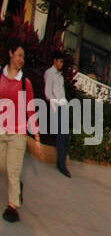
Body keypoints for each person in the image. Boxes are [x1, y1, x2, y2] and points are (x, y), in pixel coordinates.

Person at [1, 38, 37, 222]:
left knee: (13, 170)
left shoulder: (25, 83)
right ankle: (18, 187)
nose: (21, 59)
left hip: (18, 132)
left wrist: (36, 134)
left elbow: (30, 107)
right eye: (19, 55)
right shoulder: (0, 76)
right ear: (10, 53)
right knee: (3, 166)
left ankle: (13, 206)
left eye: (23, 57)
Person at [43, 50, 70, 178]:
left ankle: (62, 163)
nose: (61, 64)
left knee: (65, 138)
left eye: (62, 62)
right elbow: (48, 93)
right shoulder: (50, 73)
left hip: (63, 107)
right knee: (60, 137)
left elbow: (62, 92)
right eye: (60, 61)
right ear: (54, 61)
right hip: (56, 107)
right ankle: (61, 166)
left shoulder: (60, 76)